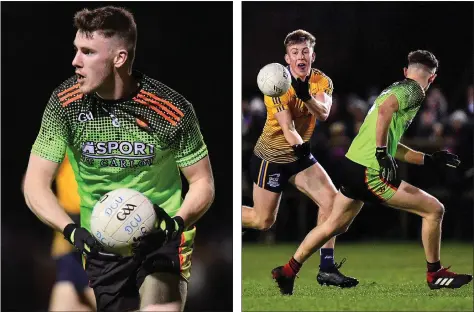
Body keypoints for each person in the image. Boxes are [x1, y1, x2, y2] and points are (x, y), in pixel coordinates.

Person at [22, 6, 215, 312]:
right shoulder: (65, 105)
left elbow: (202, 181)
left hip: (162, 239)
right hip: (100, 245)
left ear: (119, 58)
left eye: (87, 52)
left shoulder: (170, 110)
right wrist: (70, 230)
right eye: (76, 50)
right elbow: (35, 183)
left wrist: (175, 224)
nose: (75, 61)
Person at [272, 50, 473, 294]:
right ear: (432, 78)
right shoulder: (415, 91)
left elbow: (392, 143)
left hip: (352, 165)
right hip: (369, 170)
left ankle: (288, 270)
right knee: (434, 209)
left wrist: (428, 159)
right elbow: (386, 117)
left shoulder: (392, 90)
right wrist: (380, 153)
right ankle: (435, 274)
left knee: (334, 224)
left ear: (405, 71)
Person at [242, 29, 358, 294]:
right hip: (271, 158)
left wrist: (306, 95)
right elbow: (287, 128)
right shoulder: (274, 83)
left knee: (332, 205)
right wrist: (304, 152)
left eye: (305, 51)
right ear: (287, 58)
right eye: (295, 52)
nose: (300, 56)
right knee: (263, 221)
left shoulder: (320, 81)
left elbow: (325, 113)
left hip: (299, 156)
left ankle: (326, 269)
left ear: (313, 55)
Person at [49, 155, 96, 311]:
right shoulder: (60, 141)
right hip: (71, 229)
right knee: (64, 299)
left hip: (103, 228)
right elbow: (33, 183)